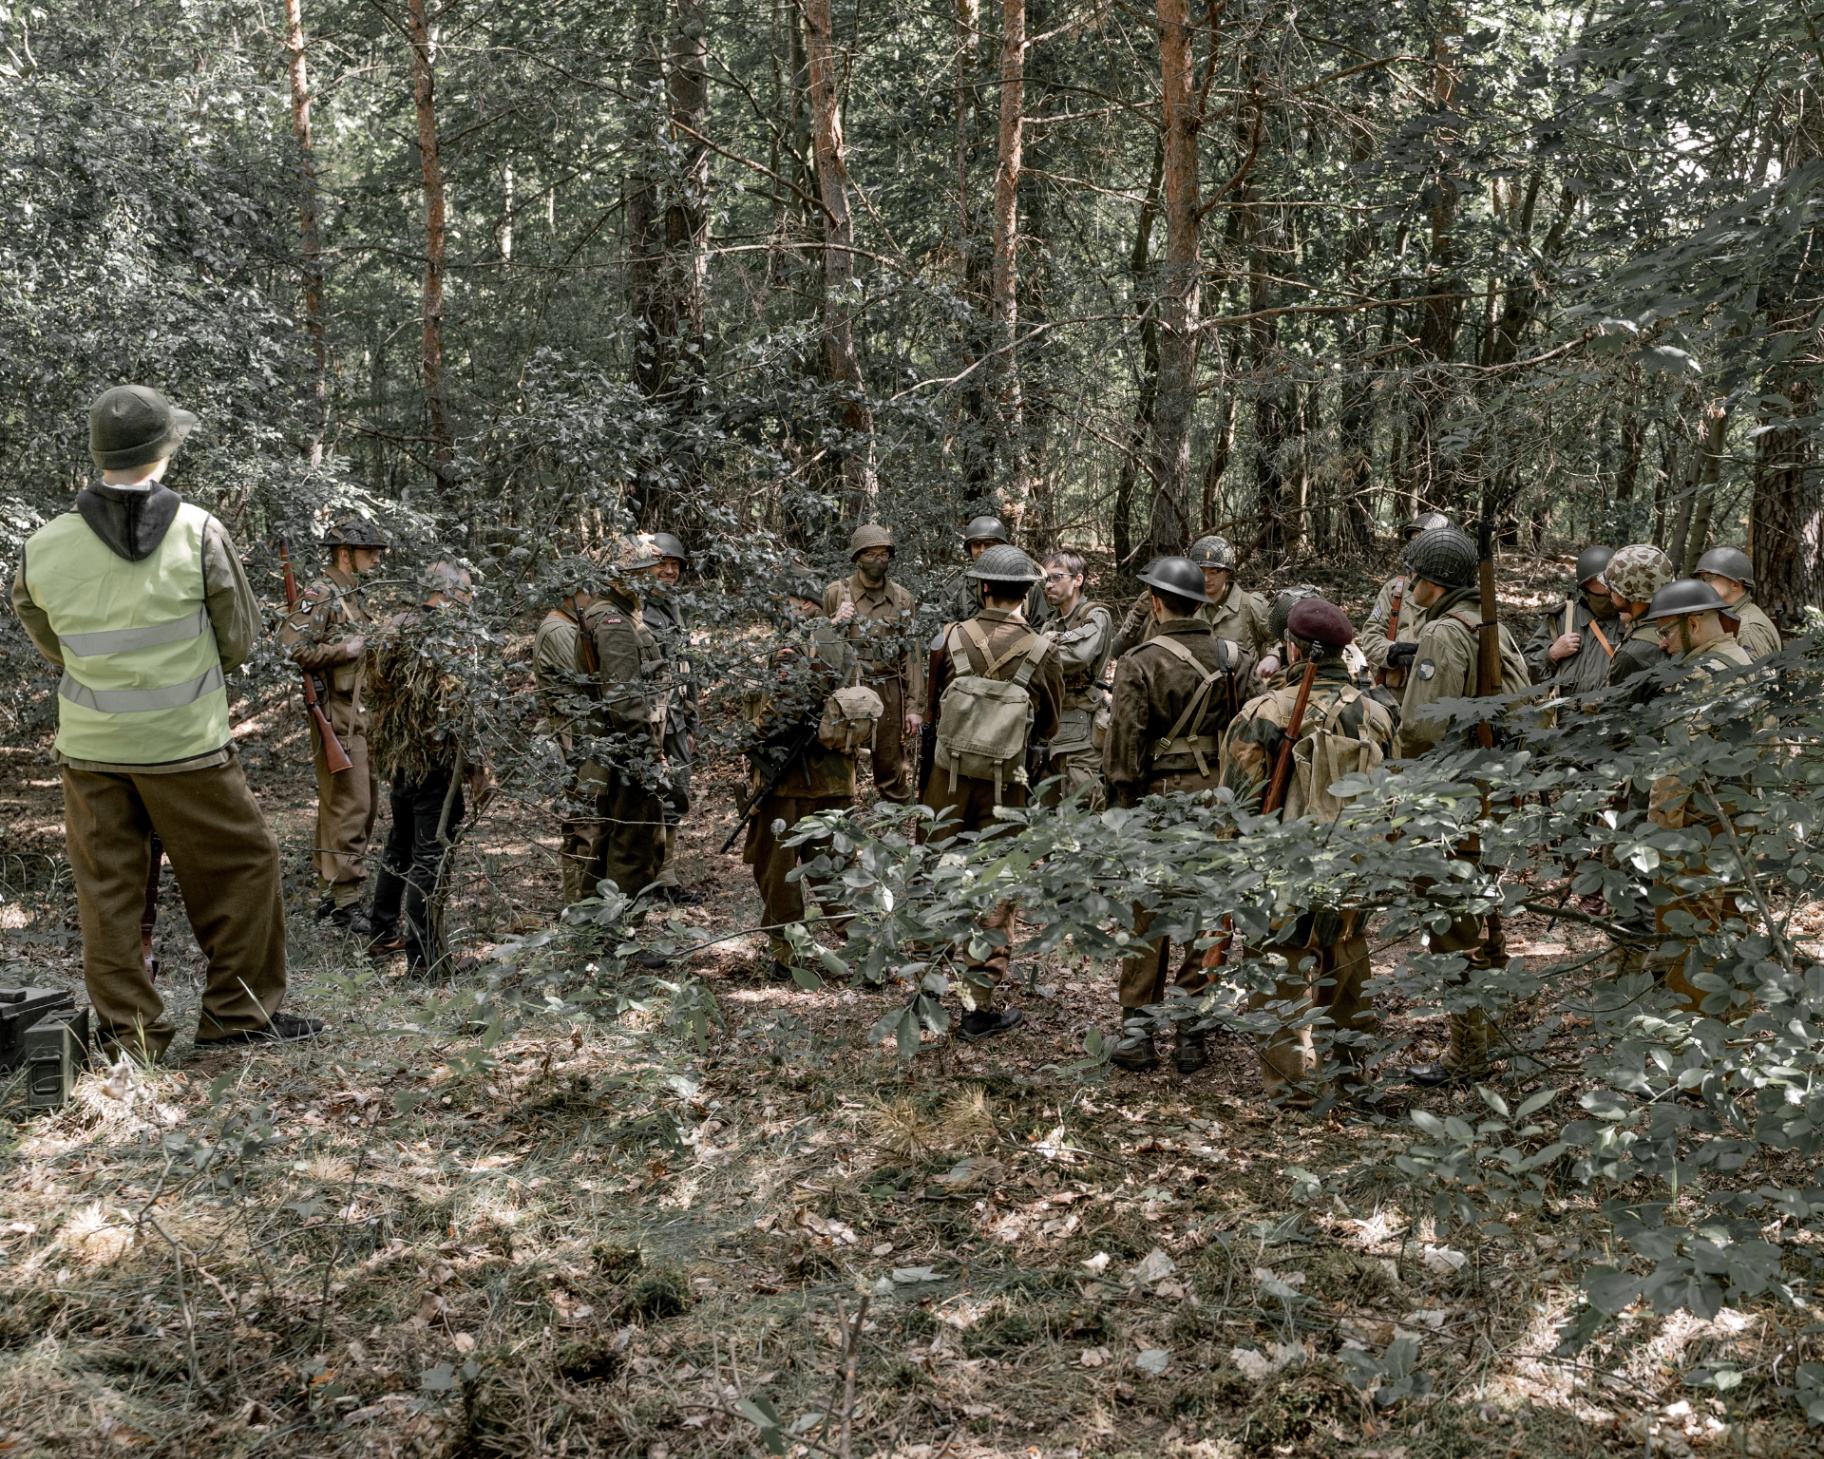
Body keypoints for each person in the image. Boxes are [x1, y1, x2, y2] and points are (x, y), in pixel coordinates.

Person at [11, 385, 312, 1059]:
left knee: (109, 895)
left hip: (91, 751)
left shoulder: (44, 546)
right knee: (242, 868)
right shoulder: (198, 531)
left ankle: (132, 1038)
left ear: (97, 452)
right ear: (165, 451)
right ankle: (237, 1016)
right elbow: (237, 639)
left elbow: (47, 632)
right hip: (186, 747)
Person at [1220, 597, 1394, 1106]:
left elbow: (1238, 805)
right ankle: (1351, 1075)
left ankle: (1292, 1086)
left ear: (1291, 647)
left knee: (1279, 970)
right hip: (1353, 859)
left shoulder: (1262, 711)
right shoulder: (1377, 713)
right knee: (1347, 964)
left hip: (1280, 865)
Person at [1389, 525, 1531, 1086]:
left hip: (1453, 795)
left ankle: (1466, 1053)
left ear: (1432, 582)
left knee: (1454, 922)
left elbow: (1422, 727)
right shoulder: (1489, 624)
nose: (1408, 584)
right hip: (1492, 790)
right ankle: (1493, 1036)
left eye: (1414, 576)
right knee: (1484, 913)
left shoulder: (1447, 631)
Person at [1102, 556, 1254, 1073]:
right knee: (1206, 915)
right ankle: (1193, 1034)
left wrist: (1121, 806)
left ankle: (1138, 1035)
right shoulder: (1235, 656)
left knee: (1148, 916)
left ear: (1156, 602)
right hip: (1219, 800)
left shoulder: (1140, 662)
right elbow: (1248, 734)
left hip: (1158, 802)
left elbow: (1122, 749)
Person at [920, 543, 1064, 1041]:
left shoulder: (947, 638)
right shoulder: (1043, 651)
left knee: (936, 880)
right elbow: (1049, 725)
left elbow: (932, 711)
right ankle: (976, 1009)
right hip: (1008, 794)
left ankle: (926, 995)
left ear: (981, 586)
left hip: (944, 785)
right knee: (996, 896)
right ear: (1027, 593)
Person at [1633, 578, 1757, 1009]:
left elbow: (1677, 765)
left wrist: (1660, 835)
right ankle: (1733, 1048)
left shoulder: (1704, 674)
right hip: (1738, 826)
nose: (1663, 643)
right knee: (1734, 937)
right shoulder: (1745, 661)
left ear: (1697, 622)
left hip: (1694, 831)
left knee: (1689, 942)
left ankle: (1694, 1061)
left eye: (1667, 630)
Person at [742, 572, 865, 981]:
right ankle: (864, 948)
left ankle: (787, 955)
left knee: (777, 870)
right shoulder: (842, 644)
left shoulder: (793, 647)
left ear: (807, 604)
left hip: (790, 781)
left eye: (787, 600)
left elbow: (782, 708)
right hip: (836, 779)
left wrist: (748, 735)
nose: (780, 608)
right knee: (834, 867)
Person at [366, 563, 488, 974]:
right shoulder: (441, 639)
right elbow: (455, 710)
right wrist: (475, 767)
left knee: (399, 848)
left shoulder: (395, 628)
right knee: (427, 857)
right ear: (448, 594)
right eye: (466, 593)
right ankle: (426, 959)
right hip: (433, 764)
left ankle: (383, 934)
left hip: (401, 762)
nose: (470, 602)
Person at [281, 517, 389, 934]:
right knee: (350, 804)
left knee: (356, 802)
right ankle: (346, 903)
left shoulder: (352, 594)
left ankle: (330, 897)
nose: (377, 558)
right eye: (370, 551)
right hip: (338, 714)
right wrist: (344, 649)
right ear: (345, 554)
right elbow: (290, 647)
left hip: (360, 711)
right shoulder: (321, 592)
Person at [579, 540, 670, 902]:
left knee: (613, 838)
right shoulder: (614, 621)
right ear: (621, 578)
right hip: (629, 752)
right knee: (636, 842)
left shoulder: (622, 612)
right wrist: (650, 756)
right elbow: (625, 700)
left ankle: (594, 930)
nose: (653, 576)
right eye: (644, 571)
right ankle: (622, 934)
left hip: (624, 749)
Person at [825, 524, 924, 803]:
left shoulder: (902, 598)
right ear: (857, 558)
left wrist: (915, 707)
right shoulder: (835, 593)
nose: (878, 560)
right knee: (842, 757)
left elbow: (912, 654)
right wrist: (834, 624)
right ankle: (837, 822)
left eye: (884, 554)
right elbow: (813, 645)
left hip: (888, 686)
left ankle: (896, 825)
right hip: (848, 686)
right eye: (870, 554)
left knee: (891, 763)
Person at [532, 563, 601, 905]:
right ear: (570, 596)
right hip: (573, 736)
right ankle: (580, 907)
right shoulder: (559, 630)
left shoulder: (571, 625)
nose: (594, 599)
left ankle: (585, 904)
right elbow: (588, 680)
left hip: (582, 734)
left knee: (587, 822)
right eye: (589, 592)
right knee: (583, 825)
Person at [643, 531, 703, 904]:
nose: (669, 571)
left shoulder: (671, 607)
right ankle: (648, 878)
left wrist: (693, 724)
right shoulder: (638, 609)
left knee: (676, 796)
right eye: (662, 564)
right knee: (648, 797)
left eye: (674, 565)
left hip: (676, 721)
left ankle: (666, 876)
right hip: (651, 722)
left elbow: (687, 671)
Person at [1109, 535, 1272, 661]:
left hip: (1242, 696)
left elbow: (1285, 640)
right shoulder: (1180, 605)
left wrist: (1274, 658)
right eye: (1201, 571)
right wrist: (1137, 617)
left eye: (1215, 571)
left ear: (1228, 572)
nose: (1207, 579)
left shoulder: (1250, 605)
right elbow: (1118, 652)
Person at [1037, 550, 1113, 805]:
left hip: (1082, 728)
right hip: (1052, 726)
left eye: (1056, 577)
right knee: (1045, 809)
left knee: (1084, 805)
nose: (1049, 585)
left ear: (1078, 580)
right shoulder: (1051, 623)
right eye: (1046, 579)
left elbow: (1078, 657)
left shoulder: (1095, 616)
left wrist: (1042, 648)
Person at [1361, 511, 1451, 695]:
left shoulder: (1456, 594)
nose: (1417, 550)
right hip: (1397, 696)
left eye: (1425, 544)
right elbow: (1371, 637)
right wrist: (1393, 652)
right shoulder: (1395, 590)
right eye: (1414, 543)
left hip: (1441, 695)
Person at [1523, 544, 1620, 698]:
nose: (1609, 587)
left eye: (1612, 579)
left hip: (1614, 719)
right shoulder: (1562, 619)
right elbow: (1525, 670)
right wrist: (1552, 654)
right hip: (1568, 720)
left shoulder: (1629, 617)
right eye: (1602, 580)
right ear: (1585, 586)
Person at [1599, 545, 1676, 700]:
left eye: (1612, 586)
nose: (1608, 590)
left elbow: (1617, 719)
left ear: (1628, 594)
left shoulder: (1631, 656)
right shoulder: (1689, 627)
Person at [943, 515, 1051, 626]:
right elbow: (946, 634)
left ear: (1002, 547)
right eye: (977, 544)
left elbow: (1041, 628)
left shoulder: (1026, 585)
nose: (982, 550)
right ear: (969, 549)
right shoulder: (955, 590)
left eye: (989, 543)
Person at [1695, 546, 1782, 661]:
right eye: (1703, 580)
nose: (1704, 585)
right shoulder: (1732, 618)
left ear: (1735, 584)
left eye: (1710, 578)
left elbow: (1758, 676)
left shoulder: (1747, 629)